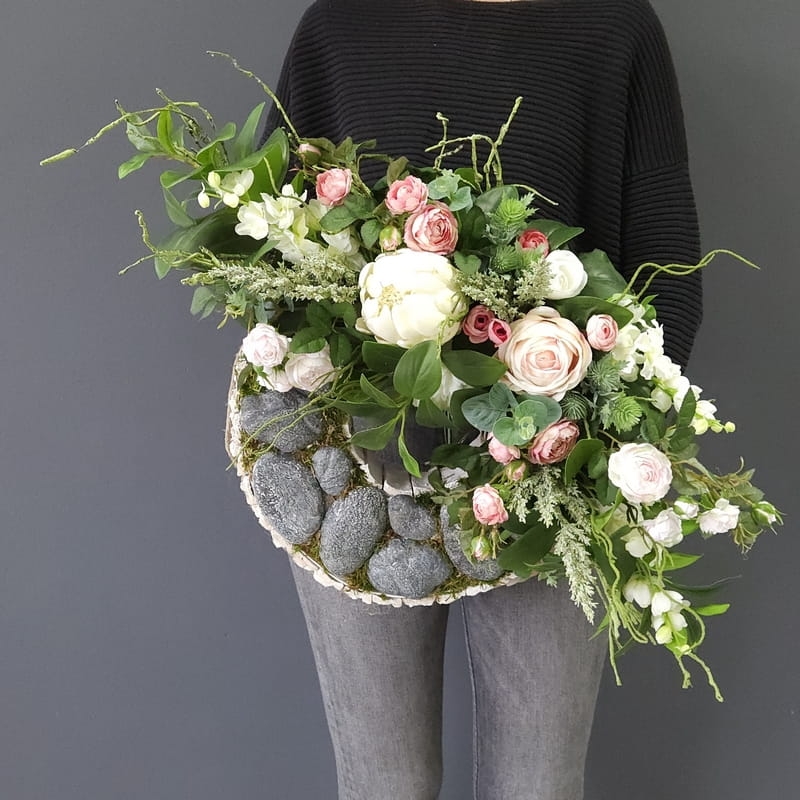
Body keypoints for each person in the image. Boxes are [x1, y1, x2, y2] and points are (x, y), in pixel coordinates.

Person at [259, 1, 702, 797]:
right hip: (353, 465)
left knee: (537, 785)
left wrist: (600, 434)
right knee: (383, 785)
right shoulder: (342, 24)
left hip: (554, 467)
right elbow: (266, 246)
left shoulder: (612, 26)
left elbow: (667, 271)